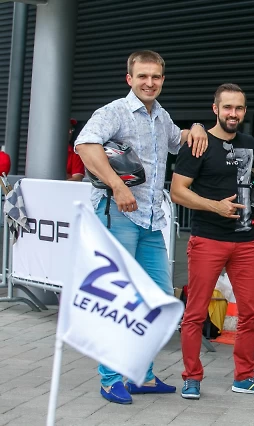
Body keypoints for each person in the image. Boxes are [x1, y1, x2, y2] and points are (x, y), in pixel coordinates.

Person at [75, 50, 208, 405]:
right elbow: (85, 145)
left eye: (156, 77)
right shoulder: (115, 111)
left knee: (158, 300)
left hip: (151, 220)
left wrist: (196, 127)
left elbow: (178, 140)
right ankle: (110, 379)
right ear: (129, 79)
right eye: (143, 76)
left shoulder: (160, 116)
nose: (150, 82)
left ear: (162, 80)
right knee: (119, 298)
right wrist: (117, 185)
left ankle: (141, 375)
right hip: (117, 215)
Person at [171, 83, 254, 400]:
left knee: (252, 312)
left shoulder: (249, 144)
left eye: (239, 108)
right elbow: (177, 192)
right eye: (228, 107)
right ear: (216, 109)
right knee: (195, 313)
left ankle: (244, 376)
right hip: (207, 239)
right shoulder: (198, 144)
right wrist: (215, 206)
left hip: (244, 239)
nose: (233, 113)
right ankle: (192, 377)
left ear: (244, 111)